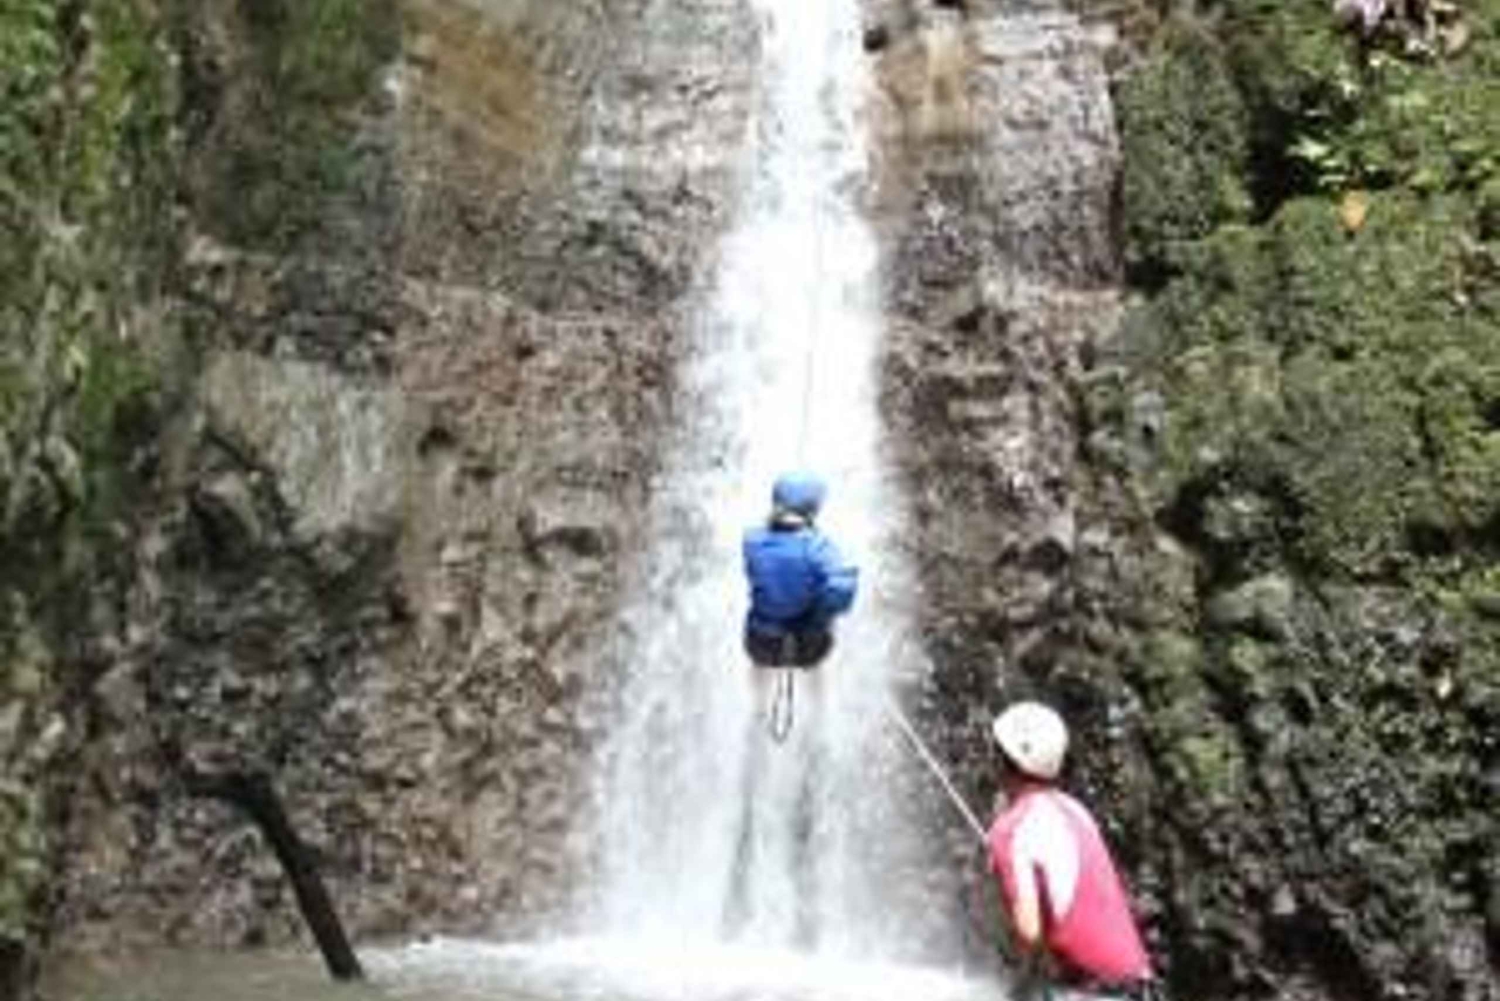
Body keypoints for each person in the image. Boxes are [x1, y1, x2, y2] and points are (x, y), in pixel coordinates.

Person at [986, 701, 1155, 999]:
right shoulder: (1077, 811)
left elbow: (1029, 932)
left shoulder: (1011, 828)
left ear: (1001, 760)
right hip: (1138, 986)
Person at [742, 471, 858, 668]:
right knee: (821, 635)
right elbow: (841, 590)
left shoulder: (752, 541)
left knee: (760, 640)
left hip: (762, 643)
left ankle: (756, 695)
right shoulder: (818, 546)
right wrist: (818, 616)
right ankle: (818, 693)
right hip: (809, 645)